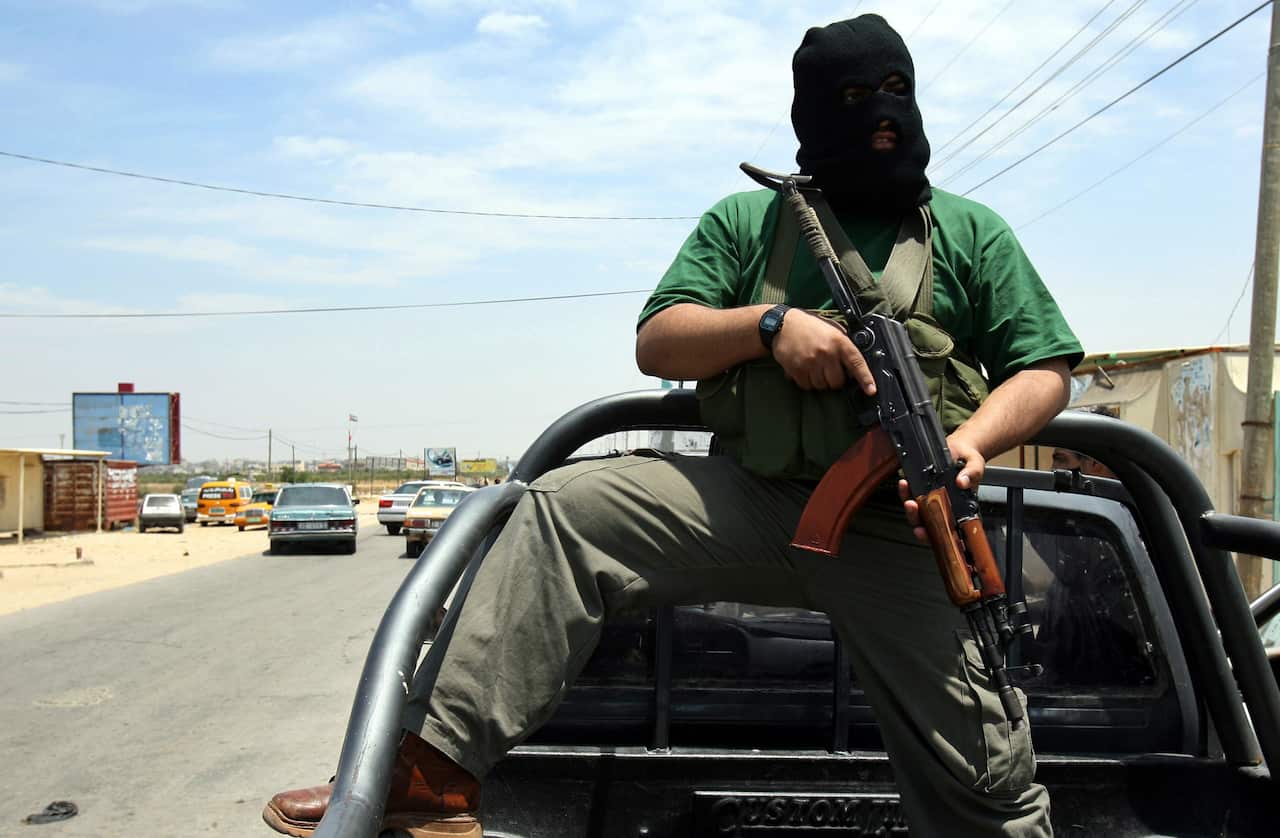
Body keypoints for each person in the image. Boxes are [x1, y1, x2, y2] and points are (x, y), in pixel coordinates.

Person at [263, 14, 1081, 838]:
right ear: (810, 114)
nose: (882, 114)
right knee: (566, 507)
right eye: (856, 96)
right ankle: (424, 775)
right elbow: (659, 338)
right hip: (751, 501)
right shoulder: (749, 222)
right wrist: (770, 327)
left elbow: (1046, 367)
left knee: (988, 782)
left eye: (898, 92)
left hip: (903, 530)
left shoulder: (972, 234)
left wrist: (969, 441)